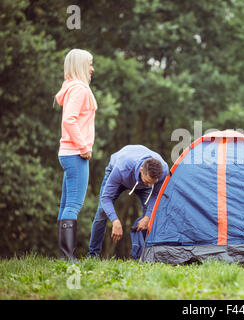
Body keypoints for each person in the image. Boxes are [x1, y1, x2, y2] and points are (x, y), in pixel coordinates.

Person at [87, 145, 169, 258]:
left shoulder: (163, 171)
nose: (150, 186)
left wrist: (148, 217)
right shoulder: (121, 168)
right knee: (102, 211)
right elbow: (106, 198)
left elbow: (155, 195)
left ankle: (145, 255)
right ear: (141, 171)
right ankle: (93, 255)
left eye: (153, 183)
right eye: (148, 181)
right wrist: (115, 221)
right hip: (120, 175)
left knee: (151, 216)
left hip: (139, 178)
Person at [55, 49, 97, 261]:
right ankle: (68, 256)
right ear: (80, 65)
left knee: (65, 205)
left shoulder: (71, 88)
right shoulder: (79, 89)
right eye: (89, 64)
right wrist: (84, 147)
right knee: (73, 205)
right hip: (75, 154)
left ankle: (65, 256)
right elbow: (69, 120)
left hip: (67, 153)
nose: (92, 69)